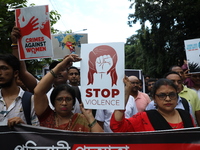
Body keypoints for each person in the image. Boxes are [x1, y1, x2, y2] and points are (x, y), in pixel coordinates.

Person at [34, 54, 103, 132]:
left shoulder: (82, 119)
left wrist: (90, 116)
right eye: (59, 99)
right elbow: (38, 91)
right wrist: (60, 65)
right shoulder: (47, 117)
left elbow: (100, 138)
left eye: (68, 99)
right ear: (53, 102)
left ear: (74, 102)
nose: (64, 103)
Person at [110, 78, 195, 132]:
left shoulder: (185, 115)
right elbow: (118, 127)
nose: (168, 99)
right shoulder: (143, 118)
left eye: (172, 95)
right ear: (154, 98)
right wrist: (125, 95)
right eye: (162, 95)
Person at [0, 54, 39, 127]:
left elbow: (37, 133)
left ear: (16, 73)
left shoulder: (30, 100)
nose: (0, 73)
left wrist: (23, 126)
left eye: (4, 68)